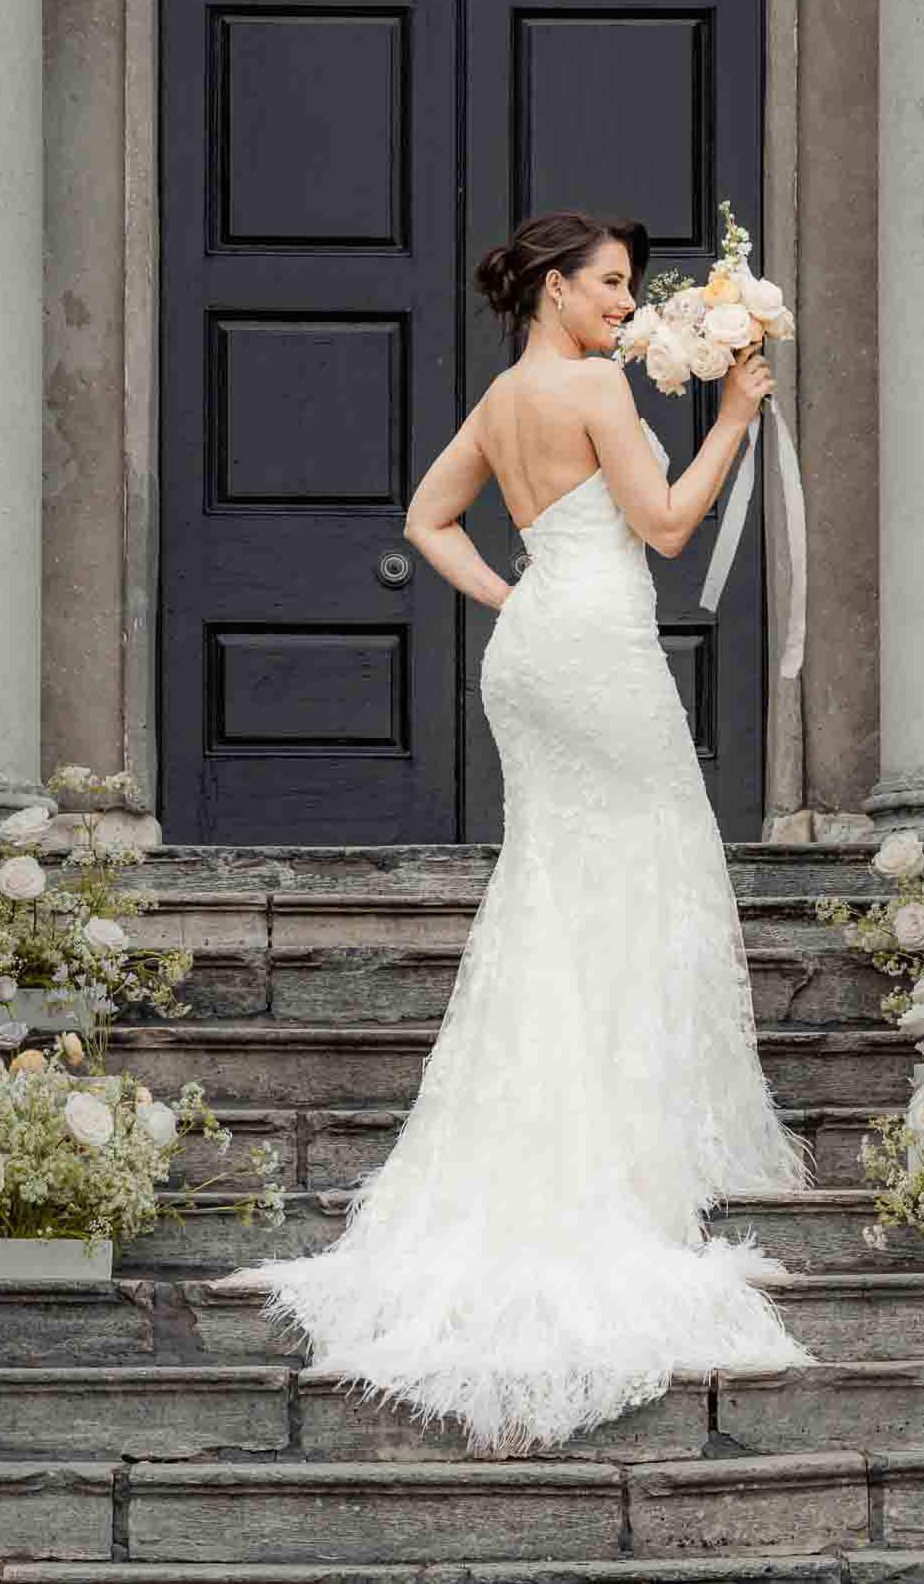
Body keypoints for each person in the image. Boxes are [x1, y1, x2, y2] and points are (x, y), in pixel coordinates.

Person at [216, 211, 815, 1456]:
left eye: (625, 290)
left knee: (554, 881)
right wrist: (735, 418)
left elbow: (427, 522)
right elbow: (664, 526)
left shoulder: (500, 399)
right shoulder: (594, 385)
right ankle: (624, 1132)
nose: (622, 305)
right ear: (552, 288)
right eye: (605, 285)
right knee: (653, 863)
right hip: (594, 648)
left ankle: (573, 1106)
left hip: (537, 650)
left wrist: (516, 597)